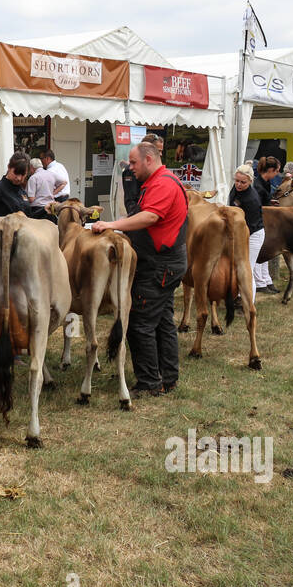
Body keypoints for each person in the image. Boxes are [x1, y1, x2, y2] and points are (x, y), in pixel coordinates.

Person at [90, 141, 188, 397]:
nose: (130, 168)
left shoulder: (164, 183)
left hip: (160, 264)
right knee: (164, 321)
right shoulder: (156, 181)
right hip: (163, 261)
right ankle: (168, 378)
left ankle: (149, 383)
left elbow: (150, 217)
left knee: (140, 322)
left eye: (133, 163)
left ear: (149, 159)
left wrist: (112, 224)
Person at [230, 164, 274, 296]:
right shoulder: (236, 189)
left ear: (250, 181)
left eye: (243, 182)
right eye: (236, 181)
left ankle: (249, 302)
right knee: (238, 267)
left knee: (247, 268)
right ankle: (238, 297)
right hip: (239, 231)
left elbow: (250, 226)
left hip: (253, 234)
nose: (238, 184)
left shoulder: (252, 199)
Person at [0, 153, 55, 222]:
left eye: (23, 174)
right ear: (9, 167)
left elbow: (28, 219)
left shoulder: (23, 192)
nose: (19, 178)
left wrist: (44, 210)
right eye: (16, 173)